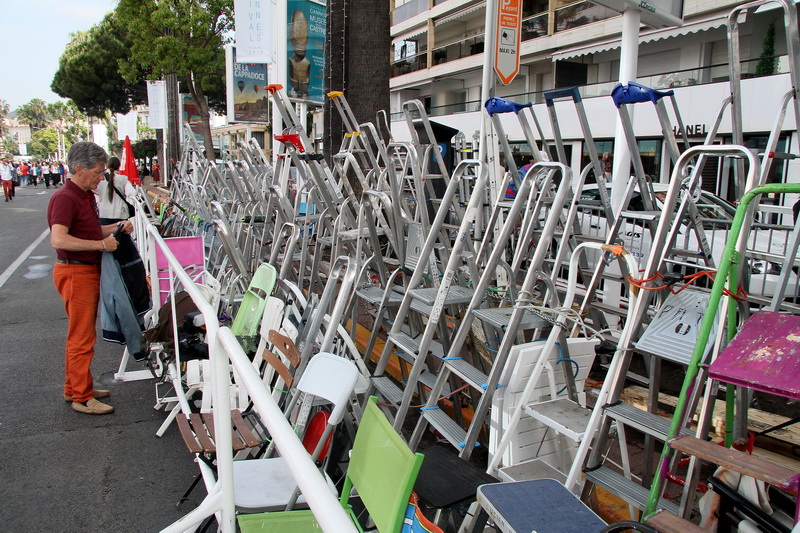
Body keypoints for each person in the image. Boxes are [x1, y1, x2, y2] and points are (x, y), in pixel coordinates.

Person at [47, 142, 134, 415]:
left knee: (82, 335)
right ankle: (81, 396)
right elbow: (58, 239)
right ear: (79, 169)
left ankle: (75, 387)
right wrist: (101, 245)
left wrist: (117, 228)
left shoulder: (82, 195)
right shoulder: (65, 198)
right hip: (75, 272)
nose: (101, 177)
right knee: (81, 337)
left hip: (82, 270)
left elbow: (90, 230)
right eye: (97, 172)